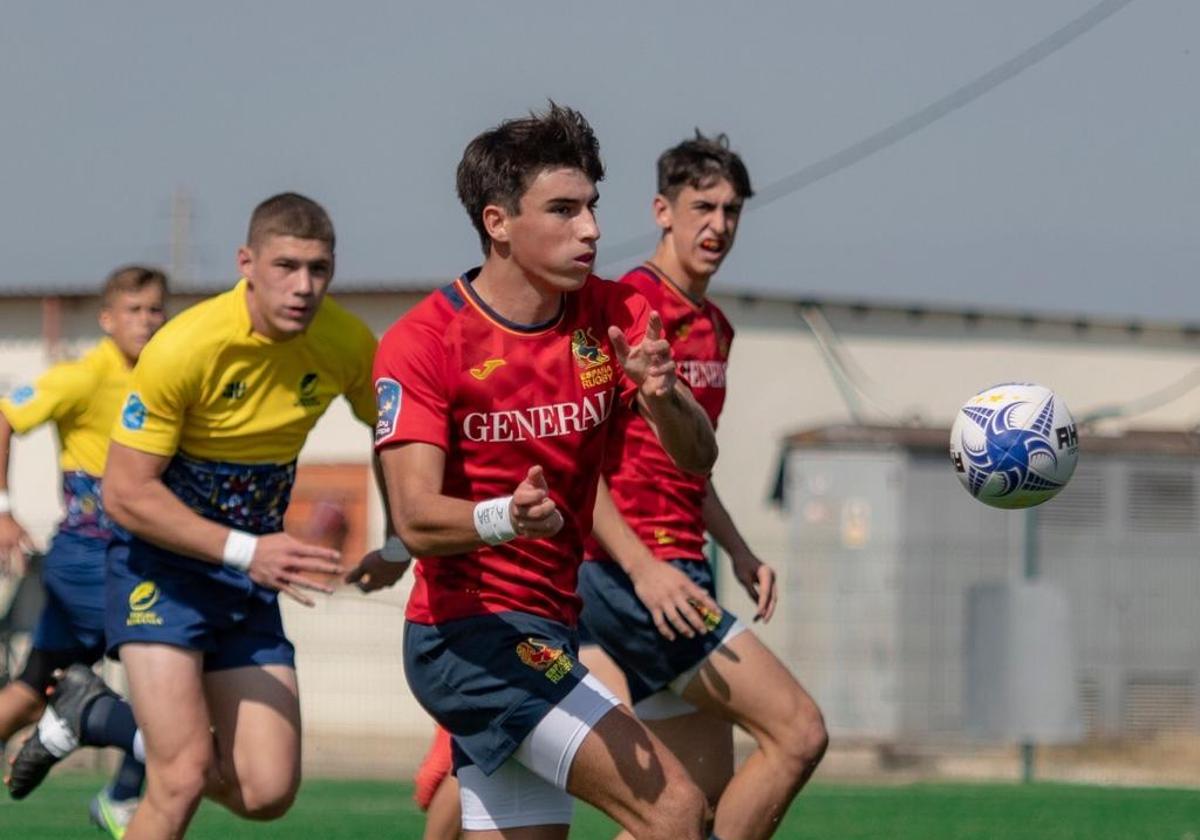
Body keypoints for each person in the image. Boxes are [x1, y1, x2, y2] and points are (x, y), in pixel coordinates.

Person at [350, 103, 719, 840]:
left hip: (550, 626)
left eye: (592, 207)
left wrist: (665, 394)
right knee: (676, 809)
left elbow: (698, 458)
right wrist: (502, 517)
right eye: (563, 209)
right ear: (497, 222)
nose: (591, 229)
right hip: (467, 638)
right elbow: (418, 515)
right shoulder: (424, 342)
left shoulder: (615, 313)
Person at [7, 193, 394, 839]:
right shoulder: (186, 347)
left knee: (267, 792)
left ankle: (94, 716)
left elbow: (396, 432)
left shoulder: (345, 342)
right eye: (286, 266)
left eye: (319, 269)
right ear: (247, 262)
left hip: (245, 585)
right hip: (158, 571)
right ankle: (95, 719)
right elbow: (127, 494)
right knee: (180, 773)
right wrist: (249, 549)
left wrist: (402, 538)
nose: (303, 287)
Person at [577, 133, 829, 840]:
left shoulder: (715, 328)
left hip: (682, 571)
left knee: (688, 810)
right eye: (702, 206)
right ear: (663, 209)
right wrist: (643, 567)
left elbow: (693, 467)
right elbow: (579, 463)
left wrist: (743, 554)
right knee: (798, 730)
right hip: (634, 578)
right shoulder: (627, 307)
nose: (718, 225)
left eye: (732, 210)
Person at [0, 265, 167, 837]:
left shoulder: (166, 373)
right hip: (90, 557)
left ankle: (99, 766)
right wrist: (2, 508)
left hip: (136, 556)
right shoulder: (83, 376)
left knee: (28, 690)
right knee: (169, 668)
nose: (146, 321)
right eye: (133, 310)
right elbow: (3, 417)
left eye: (154, 309)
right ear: (107, 319)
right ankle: (119, 794)